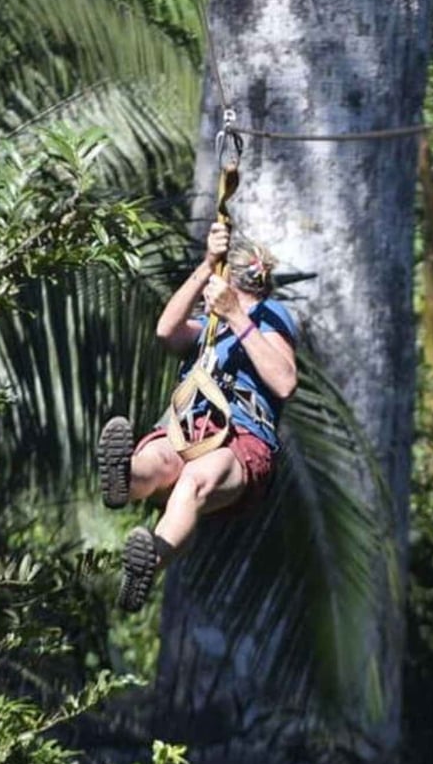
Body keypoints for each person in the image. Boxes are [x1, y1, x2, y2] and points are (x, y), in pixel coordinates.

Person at [97, 220, 299, 612]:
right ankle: (123, 479)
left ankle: (148, 562)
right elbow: (166, 331)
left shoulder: (270, 317)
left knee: (194, 481)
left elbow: (285, 382)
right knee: (156, 463)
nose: (208, 296)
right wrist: (207, 264)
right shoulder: (208, 327)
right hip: (188, 424)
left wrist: (237, 316)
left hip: (241, 438)